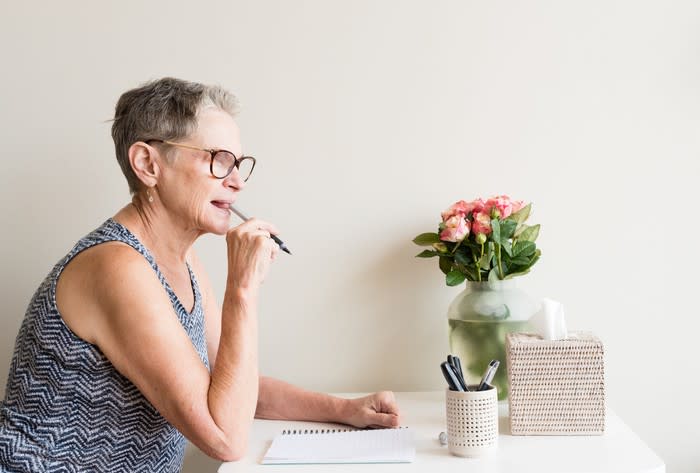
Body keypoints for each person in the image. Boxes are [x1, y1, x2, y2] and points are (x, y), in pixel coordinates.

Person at [0, 77, 400, 472]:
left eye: (238, 163)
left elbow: (232, 394)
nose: (237, 181)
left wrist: (345, 410)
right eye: (218, 159)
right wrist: (242, 289)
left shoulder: (182, 260)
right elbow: (225, 438)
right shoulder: (115, 267)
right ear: (148, 164)